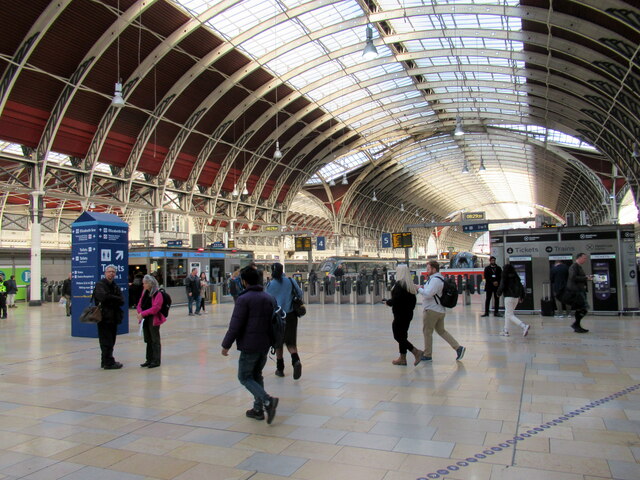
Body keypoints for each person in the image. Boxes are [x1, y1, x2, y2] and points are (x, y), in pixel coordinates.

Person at [221, 266, 279, 424]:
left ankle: (267, 401)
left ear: (244, 281)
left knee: (244, 376)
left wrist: (226, 345)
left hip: (249, 345)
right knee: (257, 375)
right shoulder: (268, 298)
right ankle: (258, 409)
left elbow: (236, 325)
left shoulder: (244, 299)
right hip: (264, 345)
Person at [417, 261, 465, 362]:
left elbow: (428, 294)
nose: (427, 271)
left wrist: (419, 289)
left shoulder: (435, 280)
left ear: (434, 269)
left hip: (431, 310)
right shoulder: (438, 279)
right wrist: (423, 287)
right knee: (441, 331)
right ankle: (458, 348)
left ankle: (427, 354)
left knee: (427, 332)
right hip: (439, 310)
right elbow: (431, 291)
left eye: (428, 269)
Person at [266, 263, 304, 379]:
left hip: (277, 317)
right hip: (291, 315)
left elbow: (267, 300)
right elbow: (300, 294)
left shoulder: (270, 285)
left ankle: (280, 368)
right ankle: (296, 361)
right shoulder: (290, 281)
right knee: (291, 342)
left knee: (278, 343)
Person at [384, 264, 423, 366]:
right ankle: (402, 358)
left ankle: (415, 351)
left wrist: (388, 302)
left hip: (399, 315)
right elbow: (412, 301)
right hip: (408, 314)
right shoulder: (410, 285)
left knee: (397, 336)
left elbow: (395, 300)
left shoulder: (399, 285)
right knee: (403, 335)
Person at [93, 265, 125, 369]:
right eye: (109, 271)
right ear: (105, 273)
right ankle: (108, 362)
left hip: (114, 317)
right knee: (106, 340)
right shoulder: (100, 284)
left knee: (111, 340)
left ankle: (105, 360)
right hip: (104, 317)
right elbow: (103, 297)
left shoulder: (115, 285)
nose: (111, 273)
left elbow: (122, 300)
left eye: (113, 272)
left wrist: (111, 298)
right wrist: (114, 299)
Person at [136, 274, 166, 368]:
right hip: (145, 319)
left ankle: (156, 360)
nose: (143, 285)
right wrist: (140, 312)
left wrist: (143, 314)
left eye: (144, 283)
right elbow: (139, 303)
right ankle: (149, 359)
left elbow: (156, 308)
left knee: (155, 340)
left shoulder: (158, 294)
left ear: (150, 283)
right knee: (148, 339)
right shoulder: (144, 292)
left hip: (153, 319)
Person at [496, 263, 530, 337]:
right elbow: (521, 286)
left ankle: (524, 326)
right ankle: (506, 330)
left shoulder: (504, 276)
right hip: (516, 298)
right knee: (507, 313)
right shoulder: (516, 277)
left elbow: (502, 285)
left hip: (508, 297)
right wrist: (522, 296)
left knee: (509, 314)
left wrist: (498, 293)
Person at [565, 253, 592, 333]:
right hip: (576, 291)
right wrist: (585, 278)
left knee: (581, 308)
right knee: (583, 307)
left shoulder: (578, 267)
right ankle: (576, 324)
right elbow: (573, 277)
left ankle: (577, 325)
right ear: (579, 258)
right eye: (584, 258)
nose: (585, 260)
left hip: (580, 290)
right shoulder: (574, 267)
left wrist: (586, 277)